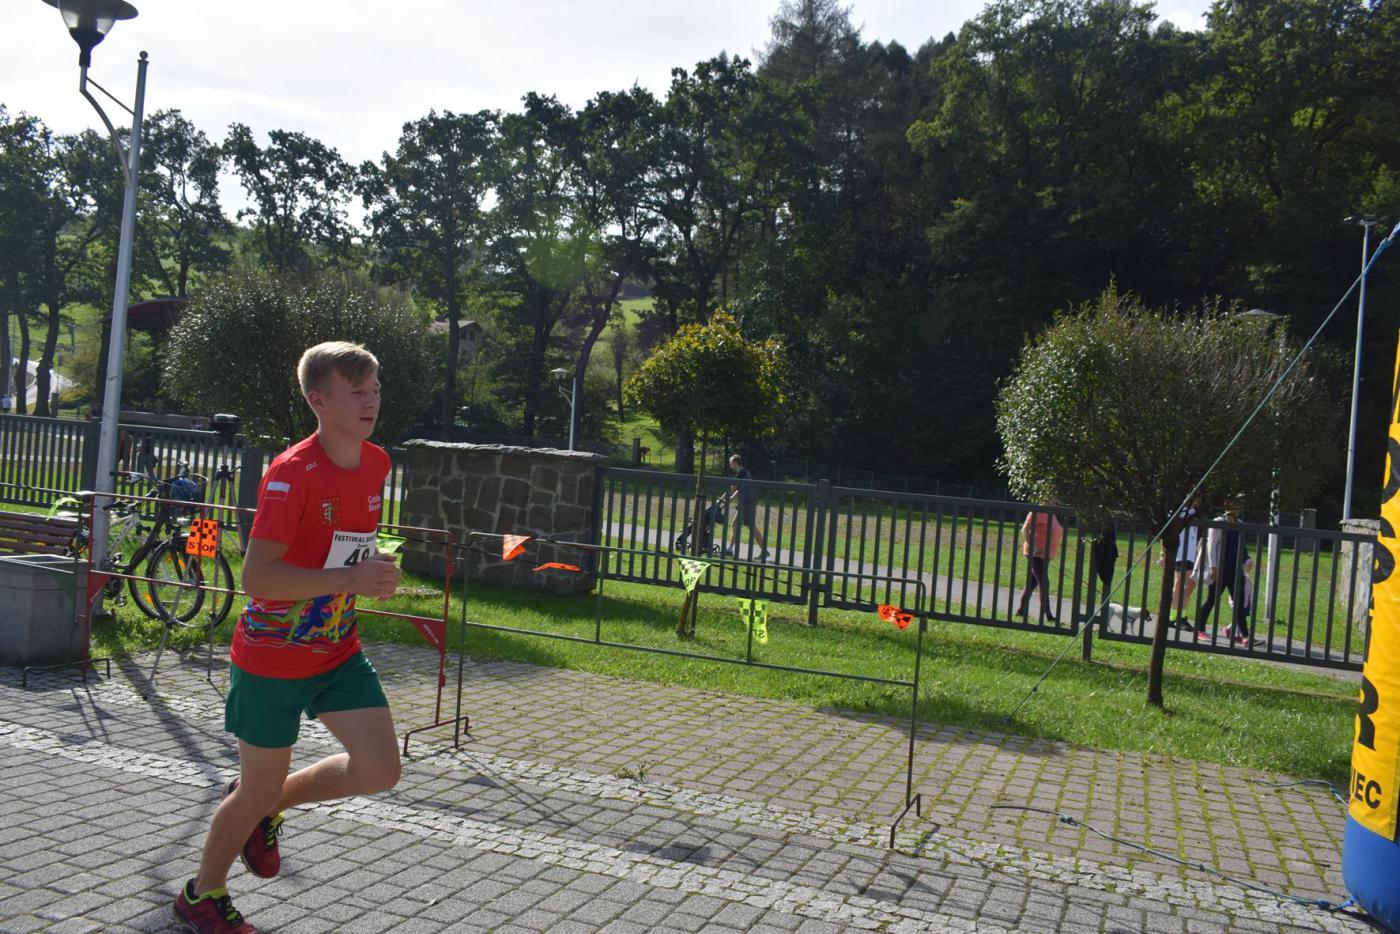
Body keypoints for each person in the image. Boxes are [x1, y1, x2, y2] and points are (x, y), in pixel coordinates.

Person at [175, 342, 403, 933]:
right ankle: (202, 894)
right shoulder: (291, 473)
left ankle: (266, 805)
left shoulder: (377, 463)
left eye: (375, 389)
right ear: (317, 400)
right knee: (255, 787)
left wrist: (373, 574)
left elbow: (343, 551)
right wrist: (349, 578)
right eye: (356, 391)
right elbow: (257, 578)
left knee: (380, 769)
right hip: (271, 659)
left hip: (338, 650)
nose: (371, 401)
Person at [1193, 500, 1257, 647]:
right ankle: (1199, 629)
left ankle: (1245, 636)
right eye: (1236, 504)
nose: (1238, 508)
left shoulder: (1239, 524)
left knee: (1239, 603)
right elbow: (1211, 545)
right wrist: (1213, 566)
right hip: (1220, 569)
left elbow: (1242, 547)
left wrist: (1247, 559)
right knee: (1212, 600)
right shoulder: (1218, 522)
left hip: (1235, 570)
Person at [1016, 506, 1064, 621]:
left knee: (1032, 583)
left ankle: (1021, 610)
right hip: (1036, 553)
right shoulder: (1037, 511)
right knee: (1044, 582)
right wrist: (1033, 545)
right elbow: (1025, 529)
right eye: (1053, 498)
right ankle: (1048, 614)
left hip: (1045, 555)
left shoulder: (1051, 512)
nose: (1056, 501)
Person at [724, 454, 769, 561]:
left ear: (735, 463)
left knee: (749, 527)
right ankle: (730, 549)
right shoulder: (744, 473)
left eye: (731, 463)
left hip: (747, 504)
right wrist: (730, 498)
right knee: (738, 525)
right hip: (746, 503)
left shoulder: (742, 473)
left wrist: (722, 499)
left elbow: (733, 488)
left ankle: (764, 551)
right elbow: (739, 489)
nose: (730, 465)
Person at [1170, 504, 1200, 627]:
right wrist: (1163, 553)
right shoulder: (1178, 509)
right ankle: (1175, 617)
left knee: (1189, 585)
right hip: (1180, 553)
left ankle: (1178, 616)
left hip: (1192, 555)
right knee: (1182, 584)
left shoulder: (1195, 511)